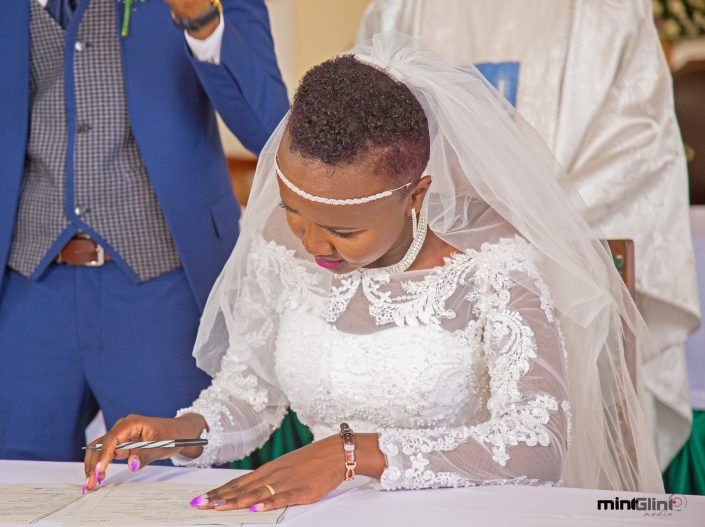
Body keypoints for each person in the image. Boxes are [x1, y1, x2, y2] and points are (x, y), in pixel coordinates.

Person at [83, 33, 664, 510]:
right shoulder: (280, 253)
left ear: (416, 197)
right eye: (294, 214)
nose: (312, 243)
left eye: (343, 231)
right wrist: (179, 434)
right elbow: (249, 397)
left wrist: (353, 454)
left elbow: (537, 446)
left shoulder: (493, 266)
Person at [357, 0, 702, 471]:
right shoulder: (402, 8)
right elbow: (365, 132)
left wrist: (524, 219)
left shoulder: (610, 11)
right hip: (430, 280)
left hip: (564, 272)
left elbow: (636, 148)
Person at [0, 0, 288, 461]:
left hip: (165, 283)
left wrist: (201, 21)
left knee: (171, 482)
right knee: (15, 489)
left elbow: (270, 127)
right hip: (26, 285)